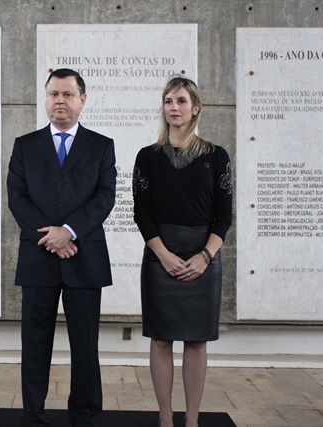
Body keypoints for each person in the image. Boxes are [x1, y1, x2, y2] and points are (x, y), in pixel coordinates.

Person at [7, 68, 116, 427]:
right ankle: (32, 415)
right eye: (54, 94)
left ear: (82, 100)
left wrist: (69, 231)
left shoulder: (101, 145)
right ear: (46, 98)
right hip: (39, 256)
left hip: (84, 257)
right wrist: (52, 237)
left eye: (68, 94)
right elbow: (17, 198)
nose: (60, 101)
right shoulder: (25, 144)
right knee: (35, 344)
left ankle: (83, 414)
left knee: (85, 345)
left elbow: (105, 198)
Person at [132, 76, 233, 427]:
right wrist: (162, 254)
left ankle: (191, 420)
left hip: (203, 257)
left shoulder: (216, 156)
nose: (174, 107)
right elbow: (141, 213)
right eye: (168, 101)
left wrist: (205, 257)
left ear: (195, 108)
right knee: (161, 339)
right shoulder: (147, 157)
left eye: (181, 101)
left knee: (196, 341)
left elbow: (225, 214)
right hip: (160, 256)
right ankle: (165, 418)